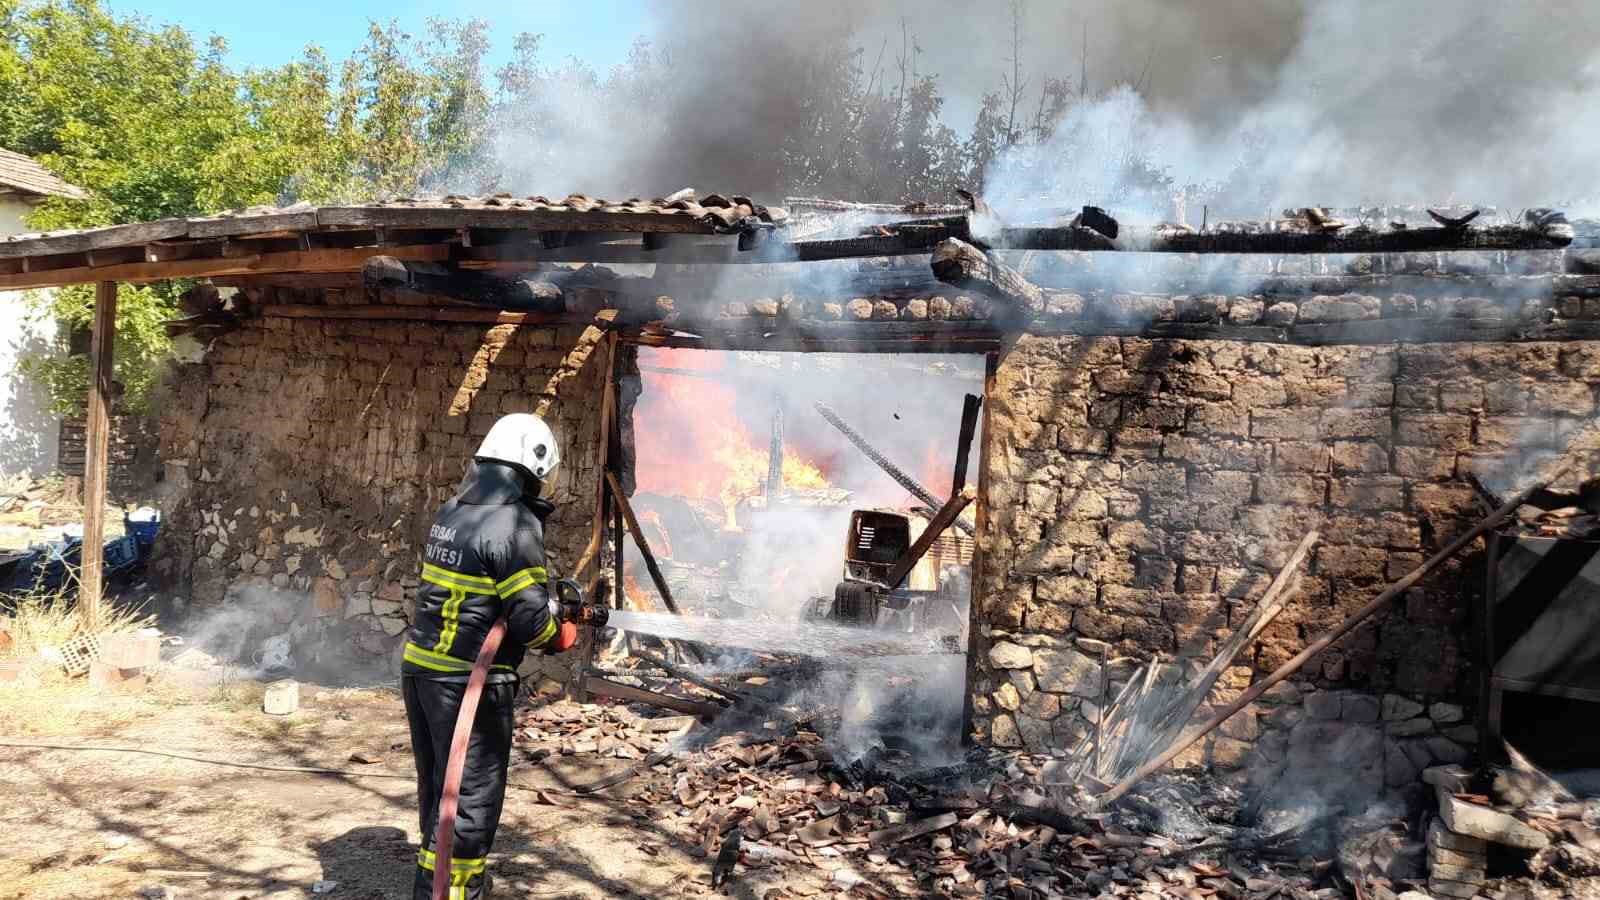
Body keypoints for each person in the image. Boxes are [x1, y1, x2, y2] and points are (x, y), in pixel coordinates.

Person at [402, 413, 579, 899]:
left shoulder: (453, 510)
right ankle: (455, 893)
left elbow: (486, 590)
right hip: (469, 686)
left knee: (441, 795)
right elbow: (530, 623)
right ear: (532, 467)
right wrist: (561, 630)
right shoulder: (514, 523)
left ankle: (432, 885)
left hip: (422, 671)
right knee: (469, 804)